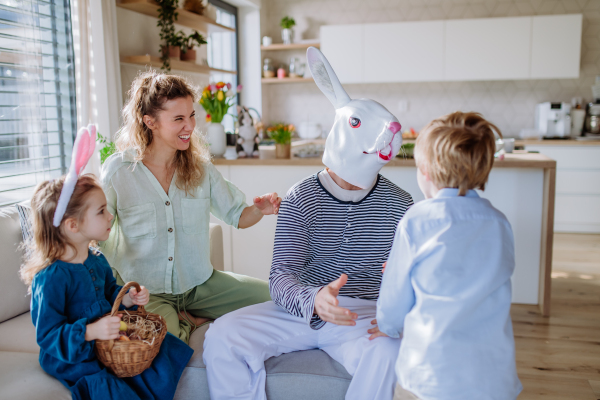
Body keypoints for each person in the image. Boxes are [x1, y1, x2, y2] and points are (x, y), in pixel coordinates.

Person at [202, 47, 413, 400]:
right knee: (222, 335)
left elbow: (409, 278)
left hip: (362, 315)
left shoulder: (400, 205)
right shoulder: (301, 197)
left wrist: (400, 314)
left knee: (390, 351)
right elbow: (281, 277)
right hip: (299, 310)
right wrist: (315, 299)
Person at [100, 71, 279, 343]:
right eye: (179, 119)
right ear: (150, 122)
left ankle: (190, 315)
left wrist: (260, 209)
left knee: (277, 300)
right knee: (167, 345)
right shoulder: (119, 172)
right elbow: (97, 233)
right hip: (148, 294)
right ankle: (189, 321)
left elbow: (238, 215)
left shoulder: (200, 169)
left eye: (192, 115)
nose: (190, 126)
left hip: (201, 286)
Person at [370, 112, 523, 400]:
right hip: (492, 380)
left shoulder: (417, 220)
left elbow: (393, 301)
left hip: (430, 376)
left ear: (426, 171)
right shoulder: (499, 222)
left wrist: (388, 327)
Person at [20, 172, 193, 400]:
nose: (110, 216)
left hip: (107, 339)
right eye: (101, 211)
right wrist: (90, 331)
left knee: (163, 350)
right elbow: (48, 335)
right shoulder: (51, 277)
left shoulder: (97, 259)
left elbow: (111, 293)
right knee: (106, 386)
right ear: (73, 225)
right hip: (73, 355)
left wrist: (129, 298)